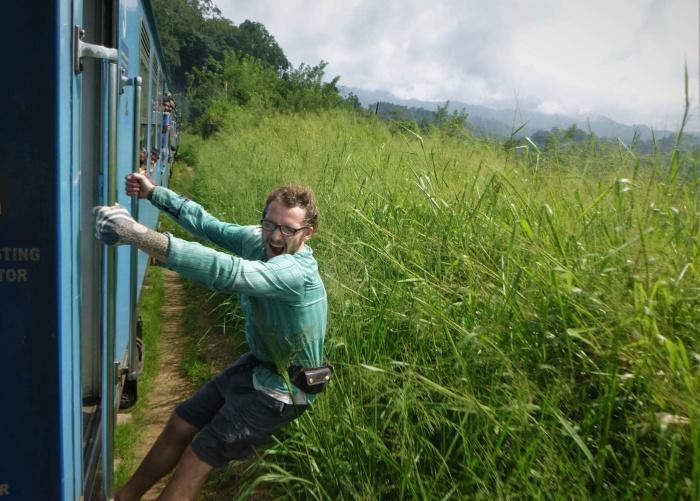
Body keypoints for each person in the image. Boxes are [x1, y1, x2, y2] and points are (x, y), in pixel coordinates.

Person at [95, 173, 329, 500]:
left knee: (196, 458)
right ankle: (123, 497)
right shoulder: (258, 239)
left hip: (283, 389)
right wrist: (154, 194)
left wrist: (137, 234)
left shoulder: (295, 273)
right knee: (181, 423)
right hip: (259, 365)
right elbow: (208, 225)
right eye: (270, 224)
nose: (276, 236)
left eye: (288, 229)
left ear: (308, 232)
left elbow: (230, 272)